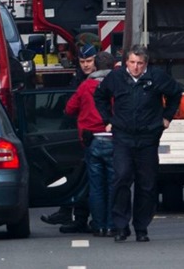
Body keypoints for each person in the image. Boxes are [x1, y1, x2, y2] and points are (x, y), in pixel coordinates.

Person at [94, 45, 183, 243]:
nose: (136, 67)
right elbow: (99, 96)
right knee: (122, 177)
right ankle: (120, 225)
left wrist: (167, 117)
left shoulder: (156, 77)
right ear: (126, 62)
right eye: (132, 63)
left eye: (140, 64)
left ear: (146, 64)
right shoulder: (115, 78)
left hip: (148, 137)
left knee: (147, 184)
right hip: (123, 135)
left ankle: (141, 227)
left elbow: (176, 93)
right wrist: (108, 119)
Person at [41, 42, 99, 229]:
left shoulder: (96, 80)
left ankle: (80, 217)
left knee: (87, 179)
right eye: (82, 61)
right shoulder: (79, 79)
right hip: (78, 134)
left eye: (89, 61)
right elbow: (68, 106)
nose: (85, 65)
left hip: (94, 135)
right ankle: (68, 211)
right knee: (74, 175)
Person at [65, 50, 116, 237]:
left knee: (96, 186)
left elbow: (69, 109)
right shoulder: (118, 85)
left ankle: (99, 225)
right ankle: (112, 225)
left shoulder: (86, 86)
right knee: (113, 184)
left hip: (92, 140)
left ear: (96, 65)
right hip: (113, 138)